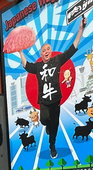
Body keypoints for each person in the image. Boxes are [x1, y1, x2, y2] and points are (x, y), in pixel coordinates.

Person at [20, 16, 86, 158]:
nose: (47, 51)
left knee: (54, 126)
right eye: (44, 50)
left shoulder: (57, 60)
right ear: (41, 54)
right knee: (44, 120)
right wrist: (20, 52)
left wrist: (80, 29)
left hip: (55, 100)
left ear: (51, 52)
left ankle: (52, 146)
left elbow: (72, 49)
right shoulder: (37, 67)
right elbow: (26, 66)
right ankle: (48, 127)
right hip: (43, 101)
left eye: (48, 49)